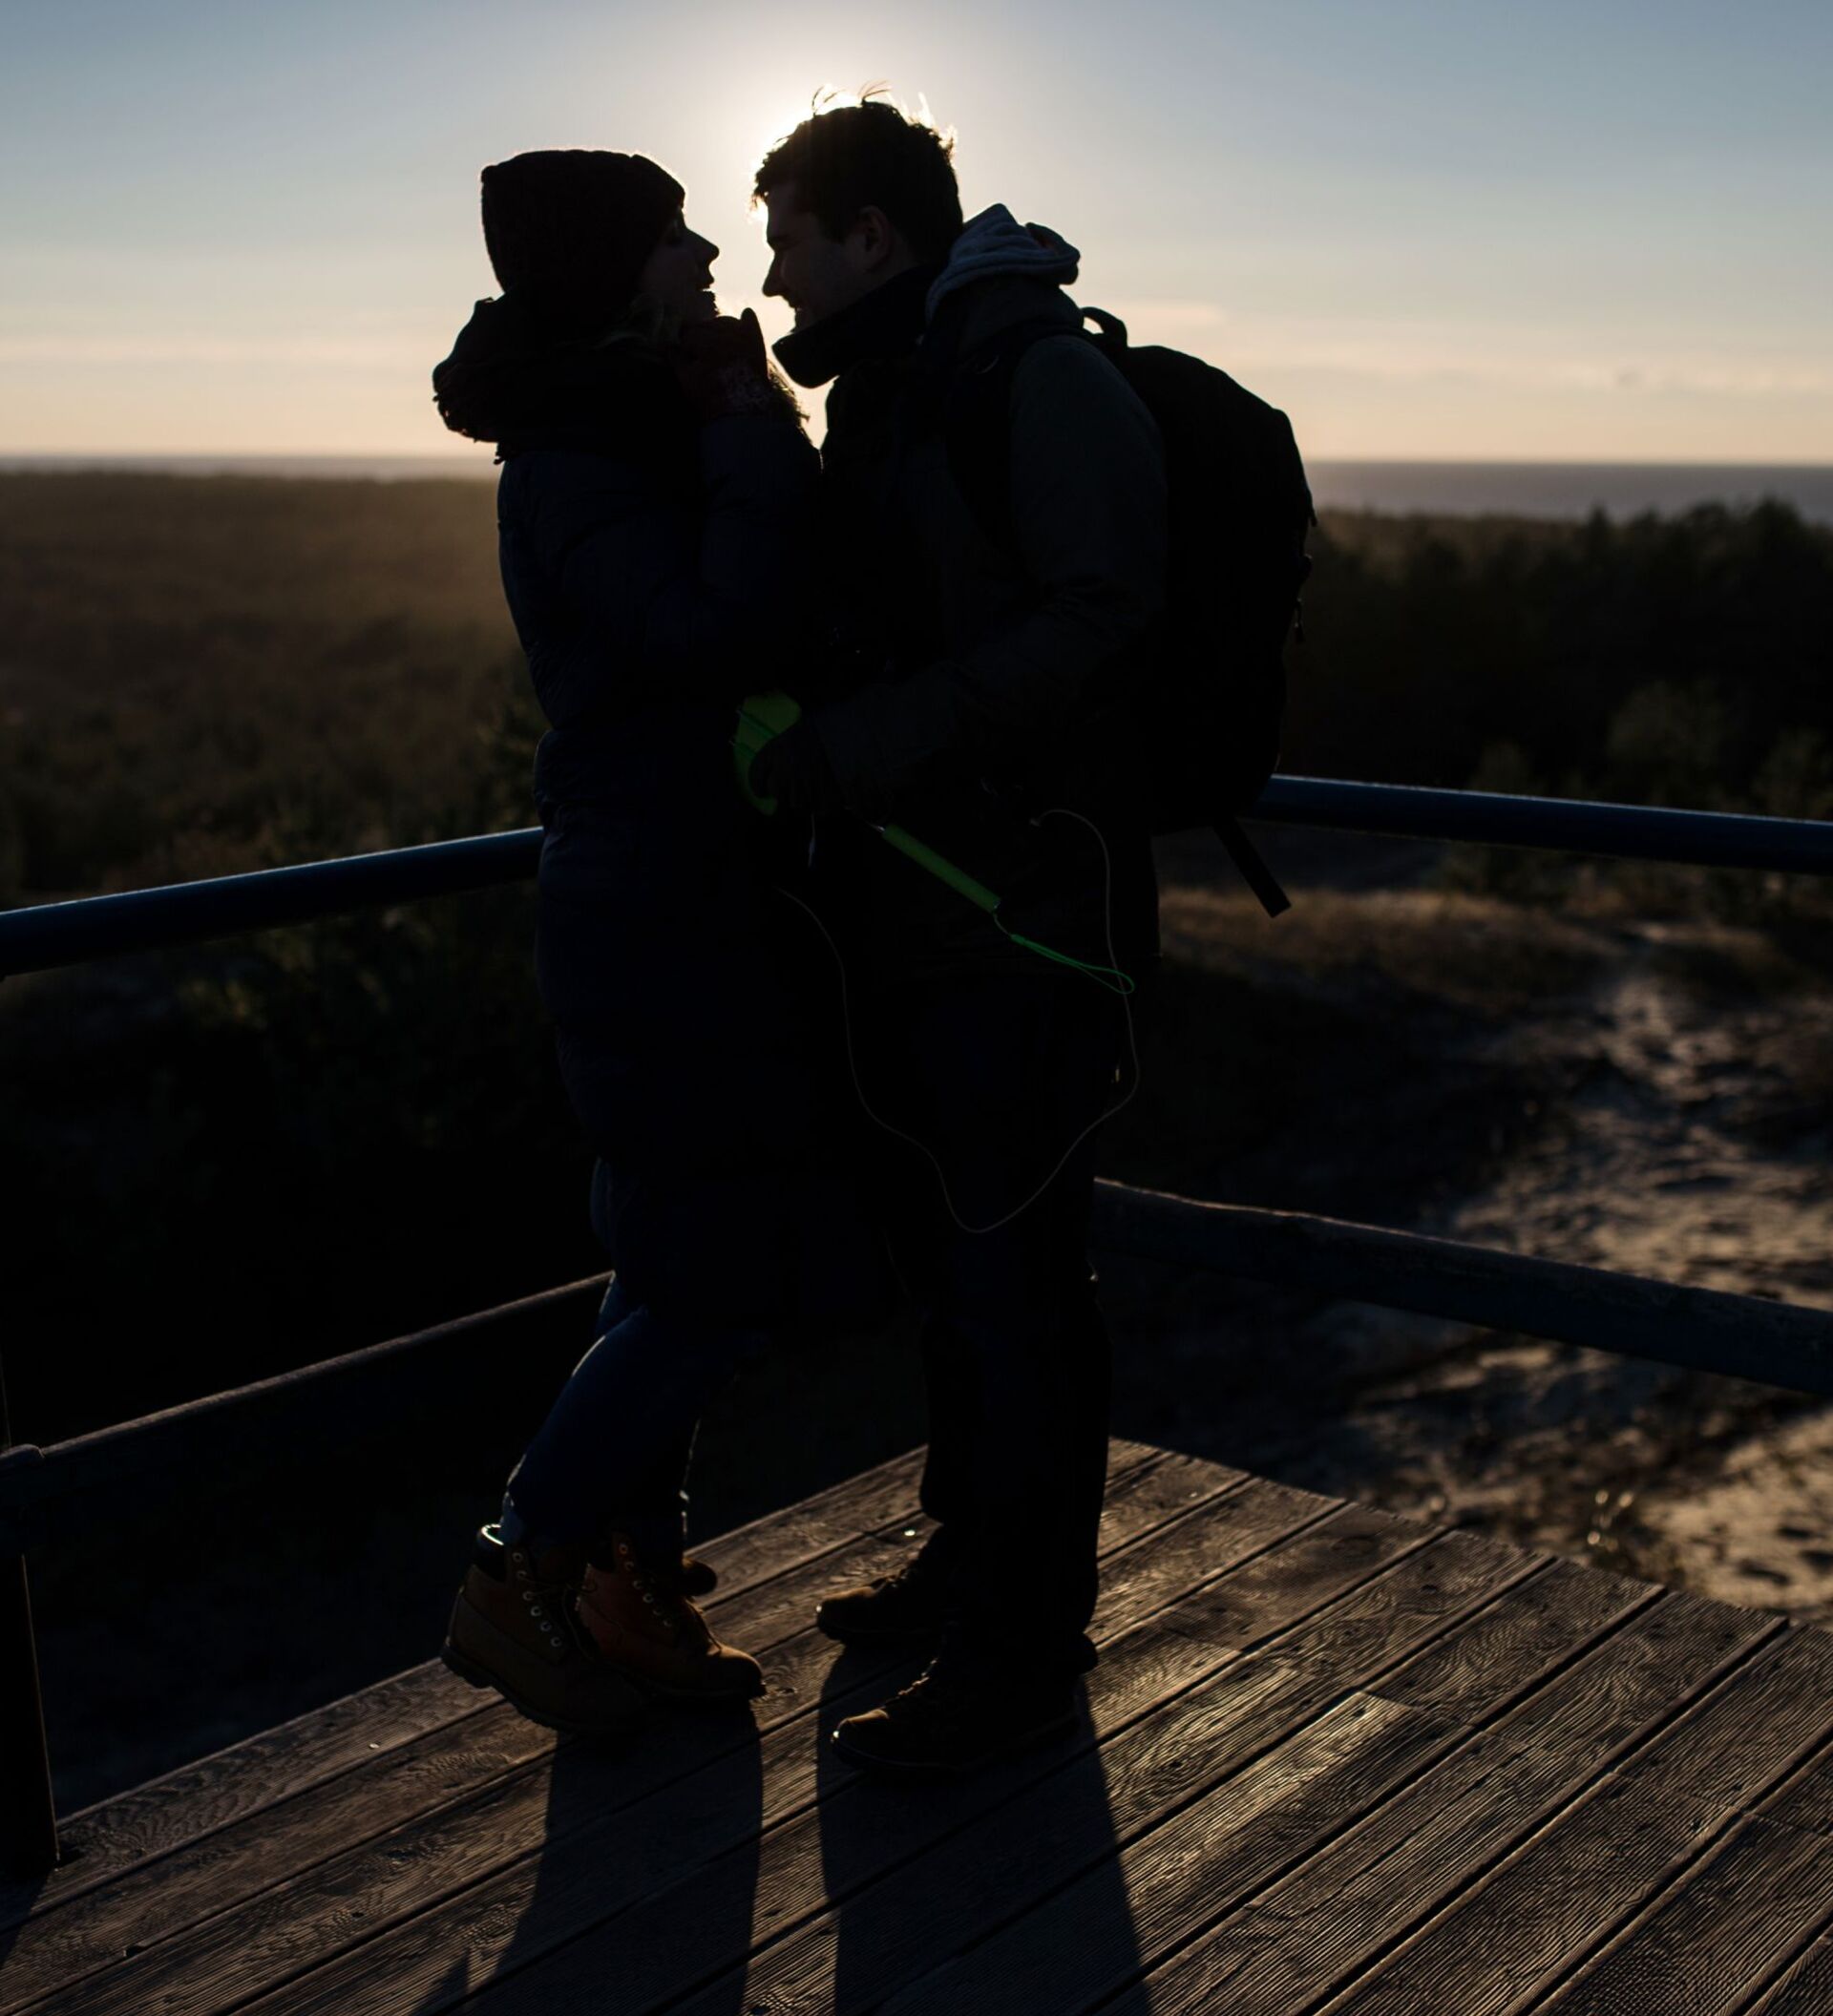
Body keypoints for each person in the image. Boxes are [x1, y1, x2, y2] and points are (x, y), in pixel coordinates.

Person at [430, 148, 900, 1736]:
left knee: (668, 1256)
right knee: (707, 1277)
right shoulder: (581, 456)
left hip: (677, 885)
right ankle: (523, 1558)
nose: (705, 249)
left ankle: (630, 1587)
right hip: (654, 904)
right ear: (609, 266)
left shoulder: (613, 422)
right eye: (670, 232)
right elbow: (719, 633)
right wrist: (757, 426)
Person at [746, 99, 1169, 1774]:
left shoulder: (1025, 374)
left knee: (1020, 1279)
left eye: (787, 237)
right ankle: (968, 1557)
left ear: (872, 237)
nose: (773, 271)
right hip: (933, 910)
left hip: (1031, 921)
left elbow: (1103, 613)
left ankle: (1019, 1645)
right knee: (963, 1270)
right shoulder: (903, 385)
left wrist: (868, 743)